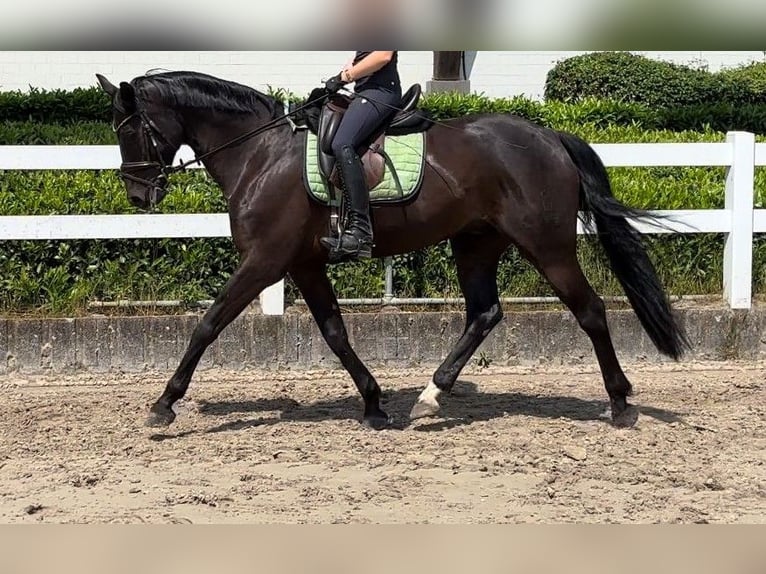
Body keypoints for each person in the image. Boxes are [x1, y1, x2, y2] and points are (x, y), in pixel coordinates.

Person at [319, 51, 402, 262]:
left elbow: (383, 56)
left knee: (342, 142)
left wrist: (344, 78)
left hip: (381, 91)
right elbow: (360, 59)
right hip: (364, 92)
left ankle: (360, 231)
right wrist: (342, 74)